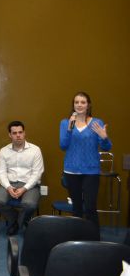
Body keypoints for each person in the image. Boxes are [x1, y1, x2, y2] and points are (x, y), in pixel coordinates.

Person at [60, 91, 111, 226]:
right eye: (76, 102)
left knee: (90, 207)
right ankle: (77, 236)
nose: (79, 105)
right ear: (73, 105)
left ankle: (93, 236)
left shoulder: (96, 123)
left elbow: (106, 147)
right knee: (76, 207)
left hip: (91, 171)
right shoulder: (65, 123)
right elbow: (63, 146)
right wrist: (69, 129)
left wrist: (104, 138)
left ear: (88, 105)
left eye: (83, 102)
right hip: (71, 170)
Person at [0, 121, 44, 235]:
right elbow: (1, 172)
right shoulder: (4, 151)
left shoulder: (35, 150)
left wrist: (24, 188)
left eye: (20, 132)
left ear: (24, 133)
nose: (18, 135)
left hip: (30, 185)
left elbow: (37, 173)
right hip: (10, 183)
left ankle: (16, 224)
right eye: (14, 133)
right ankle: (15, 218)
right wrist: (8, 187)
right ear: (10, 135)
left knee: (29, 204)